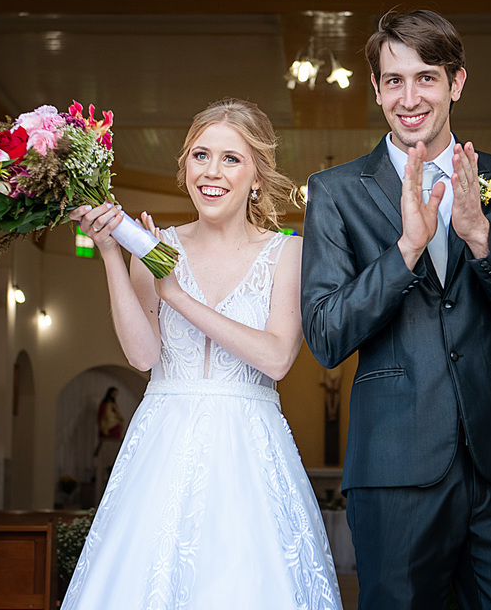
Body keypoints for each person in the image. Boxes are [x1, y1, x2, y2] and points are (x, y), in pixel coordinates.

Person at [300, 10, 491, 610]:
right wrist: (406, 251)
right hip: (394, 465)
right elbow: (324, 334)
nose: (410, 96)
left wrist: (481, 239)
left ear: (457, 82)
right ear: (375, 89)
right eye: (394, 80)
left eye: (426, 78)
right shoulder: (336, 192)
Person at [64, 99, 340, 610]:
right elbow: (143, 356)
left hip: (250, 446)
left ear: (257, 174)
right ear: (185, 166)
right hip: (162, 439)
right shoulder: (153, 245)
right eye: (200, 155)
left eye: (231, 159)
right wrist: (111, 254)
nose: (212, 172)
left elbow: (278, 358)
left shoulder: (289, 252)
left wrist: (177, 296)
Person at [93, 386, 123, 499]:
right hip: (108, 427)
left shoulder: (114, 404)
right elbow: (102, 417)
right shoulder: (104, 404)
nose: (115, 396)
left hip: (114, 426)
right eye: (114, 394)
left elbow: (119, 416)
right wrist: (103, 428)